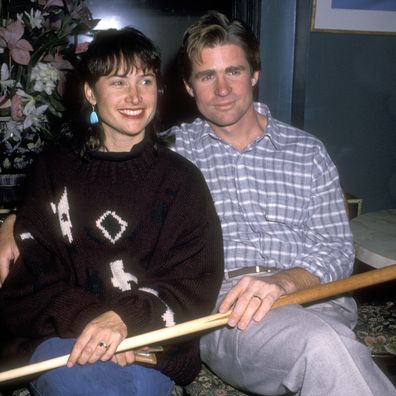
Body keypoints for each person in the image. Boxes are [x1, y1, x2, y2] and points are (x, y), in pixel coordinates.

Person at [1, 10, 395, 396]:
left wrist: (284, 281)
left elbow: (337, 248)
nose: (222, 89)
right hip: (234, 308)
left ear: (255, 74)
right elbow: (96, 184)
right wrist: (17, 222)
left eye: (234, 72)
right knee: (324, 347)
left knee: (329, 342)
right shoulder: (175, 152)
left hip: (317, 300)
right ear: (187, 87)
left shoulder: (307, 151)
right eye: (207, 76)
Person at [0, 27, 224, 396]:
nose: (135, 96)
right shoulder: (53, 171)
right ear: (90, 92)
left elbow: (194, 285)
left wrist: (125, 320)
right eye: (118, 82)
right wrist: (99, 323)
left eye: (146, 81)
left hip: (149, 343)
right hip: (64, 338)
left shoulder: (182, 181)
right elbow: (27, 285)